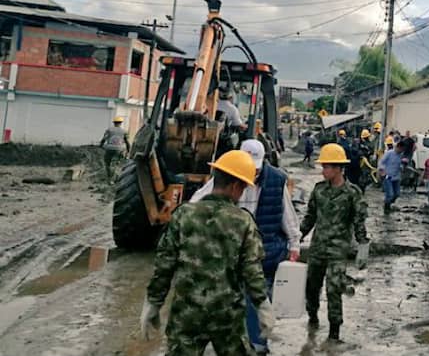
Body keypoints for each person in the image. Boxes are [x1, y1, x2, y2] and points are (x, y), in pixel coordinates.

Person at [141, 150, 273, 355]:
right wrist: (262, 305)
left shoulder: (184, 215)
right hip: (227, 316)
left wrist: (153, 302)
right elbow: (252, 270)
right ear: (236, 186)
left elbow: (164, 265)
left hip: (187, 314)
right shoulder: (243, 221)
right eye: (244, 188)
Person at [190, 140, 301, 354]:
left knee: (256, 299)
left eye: (255, 170)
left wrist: (294, 245)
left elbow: (289, 218)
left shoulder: (276, 181)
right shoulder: (225, 178)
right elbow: (196, 203)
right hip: (229, 256)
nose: (251, 175)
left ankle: (257, 346)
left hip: (264, 254)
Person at [300, 144, 368, 342]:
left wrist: (363, 248)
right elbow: (310, 216)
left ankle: (334, 331)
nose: (323, 171)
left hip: (338, 250)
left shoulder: (352, 193)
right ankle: (312, 316)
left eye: (326, 167)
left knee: (334, 289)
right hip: (318, 247)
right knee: (312, 287)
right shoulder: (319, 190)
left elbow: (359, 222)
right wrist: (298, 236)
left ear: (338, 168)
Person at [100, 116, 130, 180]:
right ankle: (115, 177)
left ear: (114, 123)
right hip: (119, 149)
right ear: (121, 123)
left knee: (107, 163)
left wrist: (101, 145)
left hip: (109, 149)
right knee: (116, 164)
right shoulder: (124, 131)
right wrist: (128, 151)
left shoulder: (109, 130)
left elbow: (104, 139)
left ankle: (109, 177)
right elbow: (127, 142)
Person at [378, 139, 403, 213]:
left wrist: (402, 167)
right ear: (398, 147)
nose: (401, 151)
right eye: (401, 149)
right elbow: (381, 162)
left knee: (397, 194)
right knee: (390, 194)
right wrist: (382, 170)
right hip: (388, 176)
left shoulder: (400, 155)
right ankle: (386, 208)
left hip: (396, 177)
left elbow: (400, 165)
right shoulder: (389, 153)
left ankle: (389, 203)